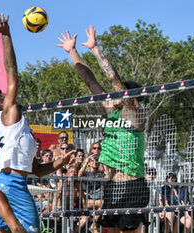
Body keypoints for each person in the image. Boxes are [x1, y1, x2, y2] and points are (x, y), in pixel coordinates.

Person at [0, 14, 75, 233]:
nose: (10, 92)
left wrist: (60, 163)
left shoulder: (18, 128)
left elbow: (36, 170)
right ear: (2, 103)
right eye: (5, 94)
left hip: (7, 182)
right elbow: (11, 71)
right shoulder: (10, 112)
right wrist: (6, 35)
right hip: (10, 184)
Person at [58, 25, 148, 233]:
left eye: (122, 91)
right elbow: (90, 81)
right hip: (112, 185)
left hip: (132, 185)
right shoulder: (111, 110)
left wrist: (95, 49)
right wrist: (72, 52)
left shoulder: (136, 114)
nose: (115, 93)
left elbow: (113, 80)